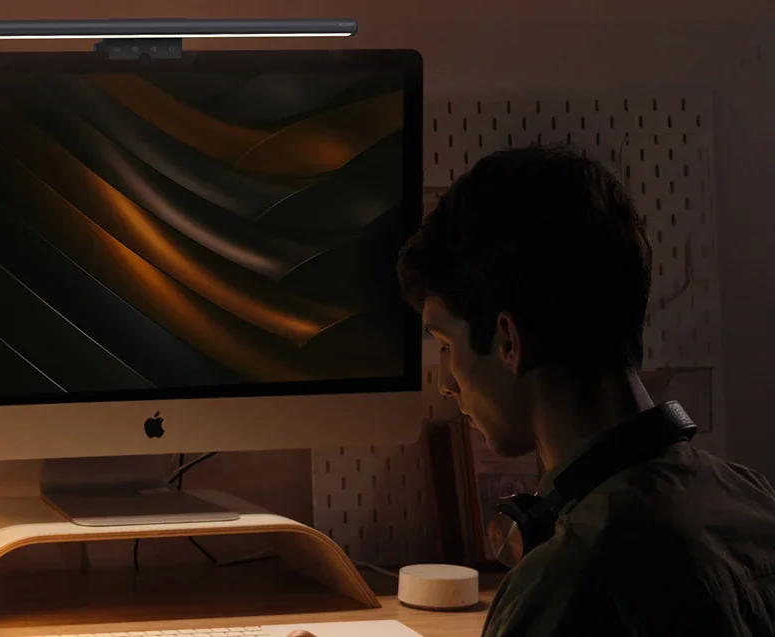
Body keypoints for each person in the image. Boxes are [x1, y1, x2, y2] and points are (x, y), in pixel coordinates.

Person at [290, 145, 775, 637]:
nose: (447, 383)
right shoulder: (753, 500)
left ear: (508, 341)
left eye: (444, 343)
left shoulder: (571, 578)